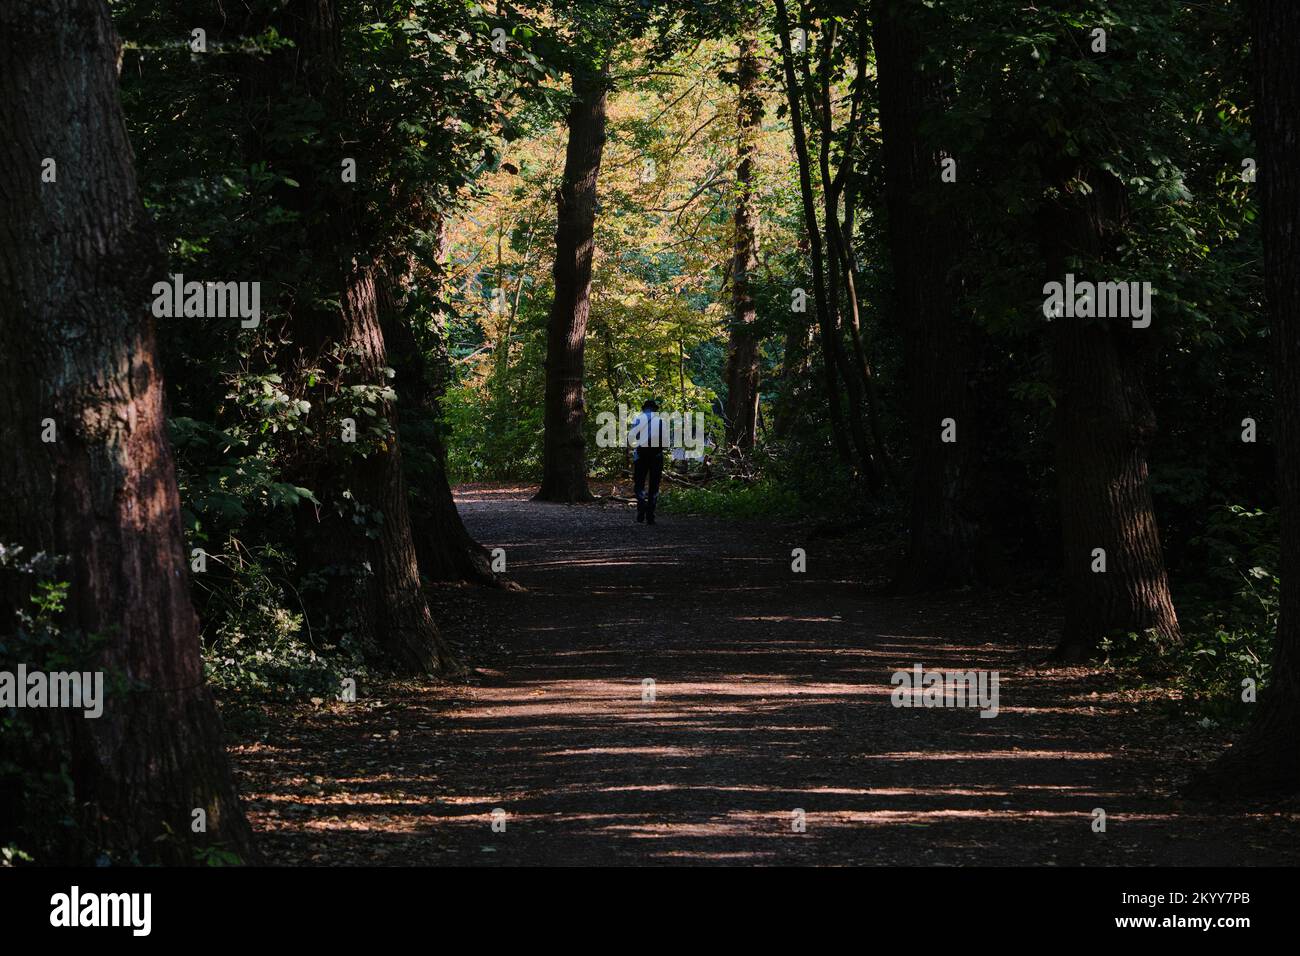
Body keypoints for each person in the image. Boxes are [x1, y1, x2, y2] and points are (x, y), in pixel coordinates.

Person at [629, 399, 668, 524]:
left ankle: (641, 508)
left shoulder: (637, 419)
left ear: (644, 408)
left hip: (641, 456)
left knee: (639, 483)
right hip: (656, 456)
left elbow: (632, 438)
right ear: (654, 409)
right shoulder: (661, 420)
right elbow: (666, 440)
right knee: (654, 485)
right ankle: (650, 515)